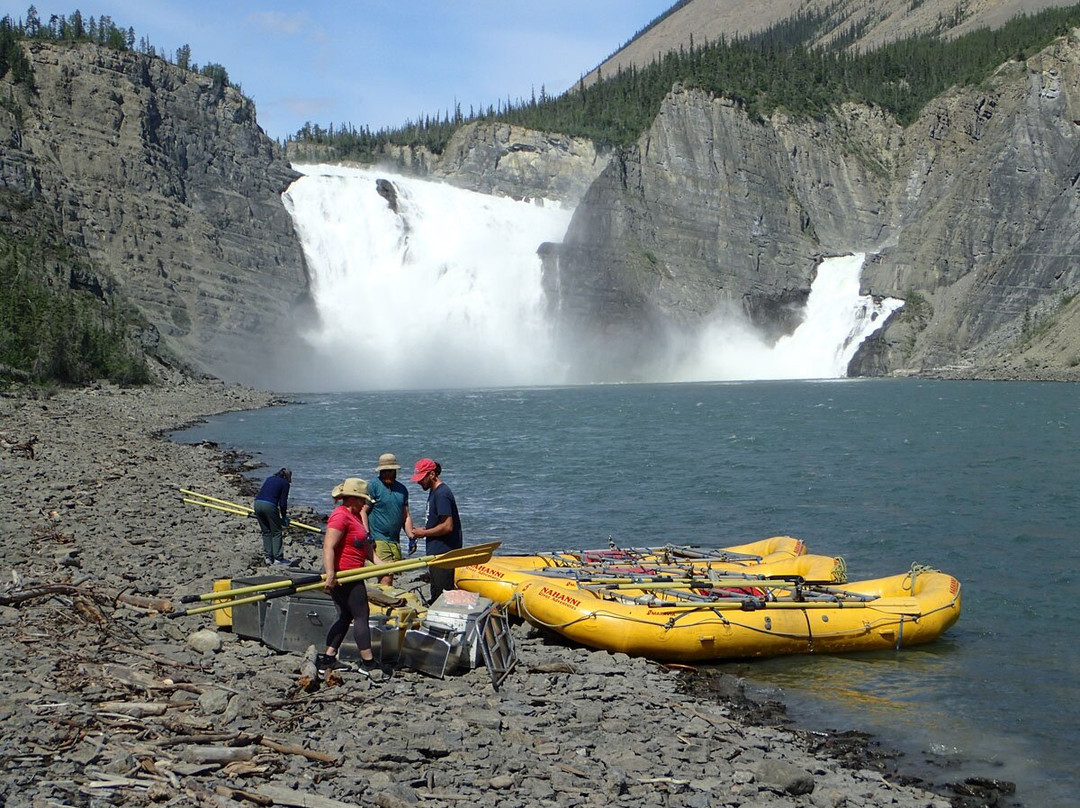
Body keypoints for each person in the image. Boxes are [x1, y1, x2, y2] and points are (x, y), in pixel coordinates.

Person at [318, 477, 385, 680]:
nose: (365, 504)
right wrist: (330, 574)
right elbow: (329, 546)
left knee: (345, 616)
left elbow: (366, 551)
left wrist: (385, 567)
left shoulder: (355, 517)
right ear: (351, 498)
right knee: (361, 615)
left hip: (355, 572)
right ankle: (368, 663)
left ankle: (328, 659)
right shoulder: (340, 516)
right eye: (362, 500)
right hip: (345, 575)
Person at [409, 458, 462, 603]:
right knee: (436, 592)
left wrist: (424, 533)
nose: (419, 482)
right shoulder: (434, 492)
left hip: (444, 553)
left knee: (442, 596)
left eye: (422, 478)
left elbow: (447, 526)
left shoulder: (442, 493)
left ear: (432, 474)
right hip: (436, 552)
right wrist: (424, 529)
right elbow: (439, 523)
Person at [365, 452, 415, 586]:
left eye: (390, 471)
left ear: (395, 471)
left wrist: (411, 537)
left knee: (389, 576)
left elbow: (406, 516)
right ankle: (382, 603)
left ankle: (382, 601)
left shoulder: (402, 489)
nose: (388, 474)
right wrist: (367, 534)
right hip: (378, 539)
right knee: (387, 574)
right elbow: (363, 511)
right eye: (385, 471)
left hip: (395, 541)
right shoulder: (373, 486)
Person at [254, 467, 294, 566]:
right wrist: (284, 517)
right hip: (269, 506)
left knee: (266, 531)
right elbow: (283, 502)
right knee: (276, 532)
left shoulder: (269, 478)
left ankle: (268, 557)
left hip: (257, 503)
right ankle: (278, 558)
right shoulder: (285, 484)